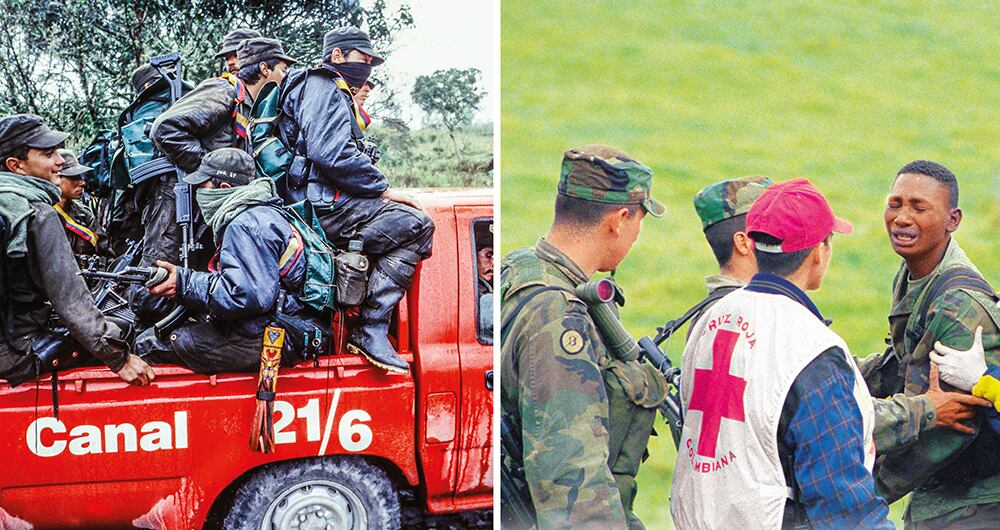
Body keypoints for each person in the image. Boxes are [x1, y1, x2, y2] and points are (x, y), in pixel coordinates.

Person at [690, 177, 985, 454]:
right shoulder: (773, 320)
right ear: (745, 242)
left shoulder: (714, 317)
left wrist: (891, 370)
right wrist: (926, 411)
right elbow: (829, 414)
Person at [671, 178, 891, 529]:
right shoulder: (810, 347)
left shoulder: (710, 319)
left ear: (753, 246)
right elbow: (843, 506)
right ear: (820, 252)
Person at [500, 145, 667, 529]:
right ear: (620, 219)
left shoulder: (520, 268)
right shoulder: (558, 317)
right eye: (641, 219)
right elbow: (574, 482)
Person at [276, 27, 434, 374]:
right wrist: (382, 189)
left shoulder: (315, 88)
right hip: (322, 207)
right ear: (336, 56)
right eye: (363, 59)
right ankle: (372, 329)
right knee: (418, 225)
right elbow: (330, 153)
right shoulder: (324, 86)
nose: (368, 67)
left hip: (313, 202)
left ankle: (355, 295)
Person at [864, 160, 1000, 528]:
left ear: (953, 220)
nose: (902, 218)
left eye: (919, 208)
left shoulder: (959, 302)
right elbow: (904, 362)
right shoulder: (914, 275)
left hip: (970, 506)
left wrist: (862, 491)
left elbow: (952, 424)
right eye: (895, 204)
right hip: (942, 500)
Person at [141, 38, 296, 320]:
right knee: (155, 280)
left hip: (209, 200)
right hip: (176, 199)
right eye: (281, 70)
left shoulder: (252, 109)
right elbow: (165, 129)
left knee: (193, 276)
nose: (283, 78)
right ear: (264, 69)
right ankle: (139, 345)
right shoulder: (223, 90)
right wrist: (207, 170)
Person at [135, 148, 321, 373]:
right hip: (279, 324)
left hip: (274, 333)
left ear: (224, 188)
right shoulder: (260, 212)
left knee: (148, 345)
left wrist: (184, 283)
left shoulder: (246, 224)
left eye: (203, 187)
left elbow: (246, 296)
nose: (199, 195)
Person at [0, 114, 154, 385]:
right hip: (19, 352)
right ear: (16, 165)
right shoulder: (37, 213)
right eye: (48, 154)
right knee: (128, 330)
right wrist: (119, 358)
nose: (60, 161)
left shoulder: (7, 204)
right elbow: (70, 300)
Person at [53, 149, 102, 259]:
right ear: (56, 177)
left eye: (80, 176)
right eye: (74, 177)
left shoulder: (84, 215)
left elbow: (105, 253)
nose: (82, 182)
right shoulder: (40, 214)